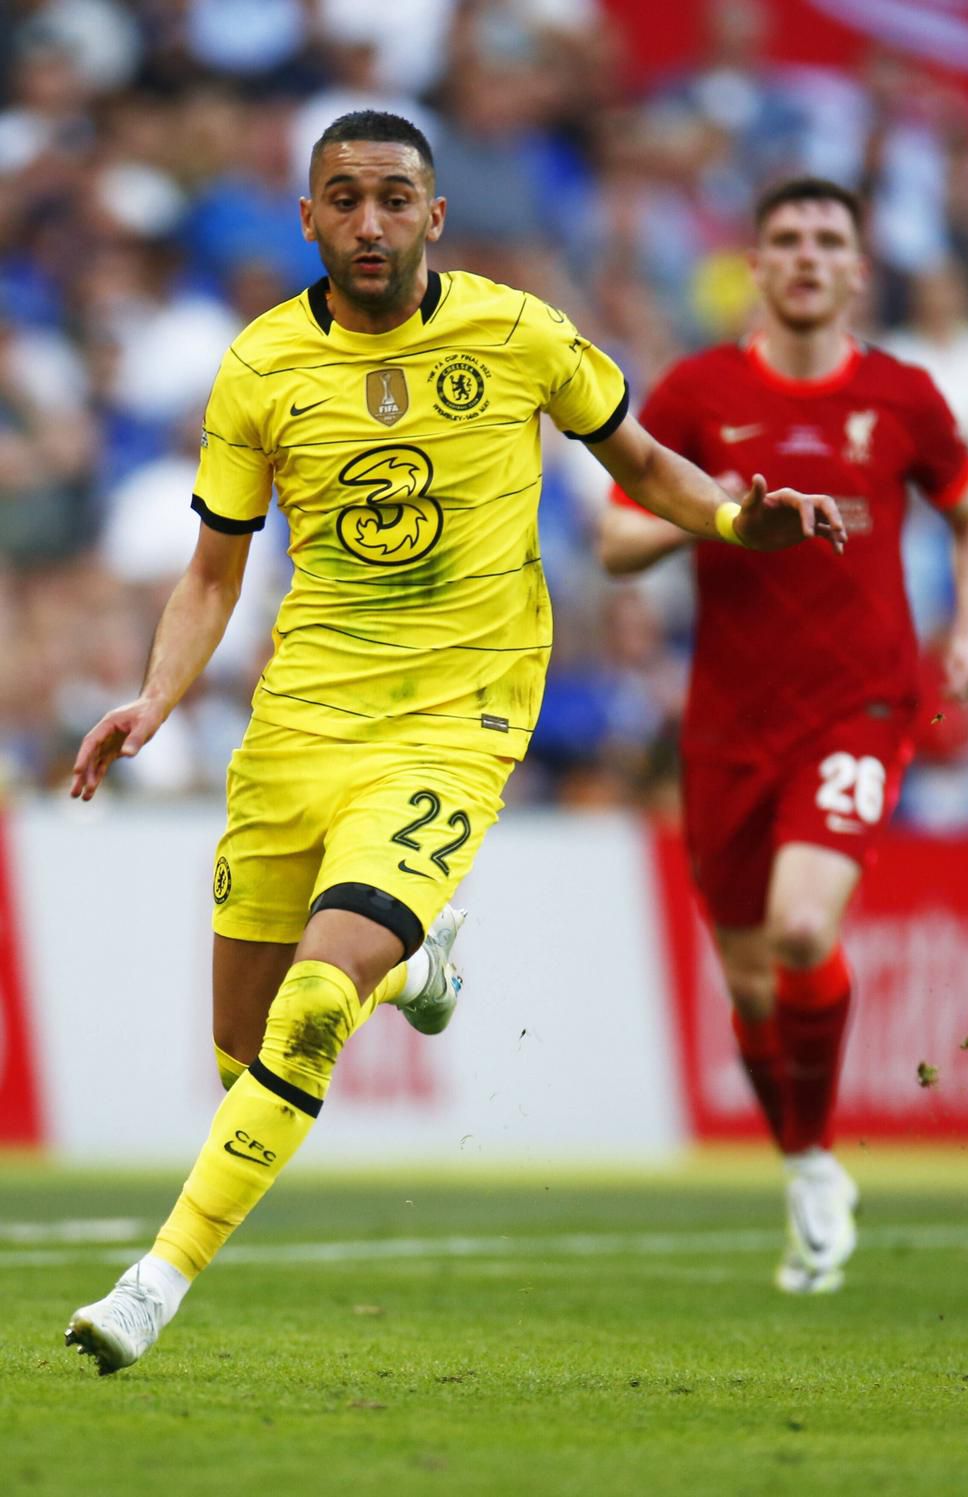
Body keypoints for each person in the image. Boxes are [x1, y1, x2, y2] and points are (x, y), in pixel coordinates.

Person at [63, 114, 846, 1374]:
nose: (368, 221)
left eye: (392, 198)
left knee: (314, 1010)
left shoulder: (519, 332)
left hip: (456, 719)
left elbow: (647, 466)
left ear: (434, 215)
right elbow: (213, 573)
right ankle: (415, 968)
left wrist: (738, 523)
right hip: (301, 723)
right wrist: (154, 700)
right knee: (246, 1061)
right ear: (306, 219)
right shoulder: (259, 367)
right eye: (342, 199)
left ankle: (151, 1286)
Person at [599, 177, 968, 1294]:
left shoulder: (901, 395)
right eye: (787, 238)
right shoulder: (699, 391)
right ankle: (802, 1164)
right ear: (757, 265)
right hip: (728, 723)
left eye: (829, 239)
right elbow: (616, 542)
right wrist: (718, 510)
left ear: (858, 269)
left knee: (798, 925)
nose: (809, 255)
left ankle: (818, 1160)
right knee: (748, 985)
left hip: (859, 706)